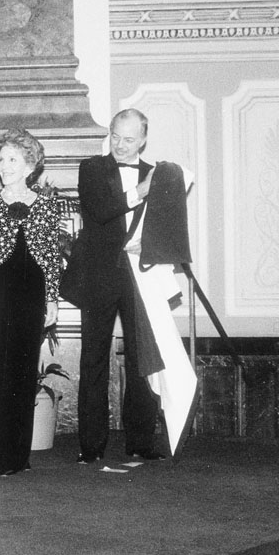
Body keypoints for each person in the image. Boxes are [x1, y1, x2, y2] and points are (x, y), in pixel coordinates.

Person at [68, 108, 166, 464]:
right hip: (99, 275)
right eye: (115, 137)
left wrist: (151, 244)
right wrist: (138, 192)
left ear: (142, 139)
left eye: (129, 139)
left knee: (143, 360)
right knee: (93, 358)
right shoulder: (92, 169)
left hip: (141, 275)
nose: (121, 146)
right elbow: (99, 210)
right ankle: (91, 446)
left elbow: (167, 225)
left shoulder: (158, 175)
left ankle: (140, 442)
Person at [0, 129, 61, 477]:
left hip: (31, 293)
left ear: (30, 165)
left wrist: (52, 299)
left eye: (12, 160)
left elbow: (50, 256)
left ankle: (16, 457)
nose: (4, 166)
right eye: (1, 159)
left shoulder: (49, 205)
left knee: (22, 371)